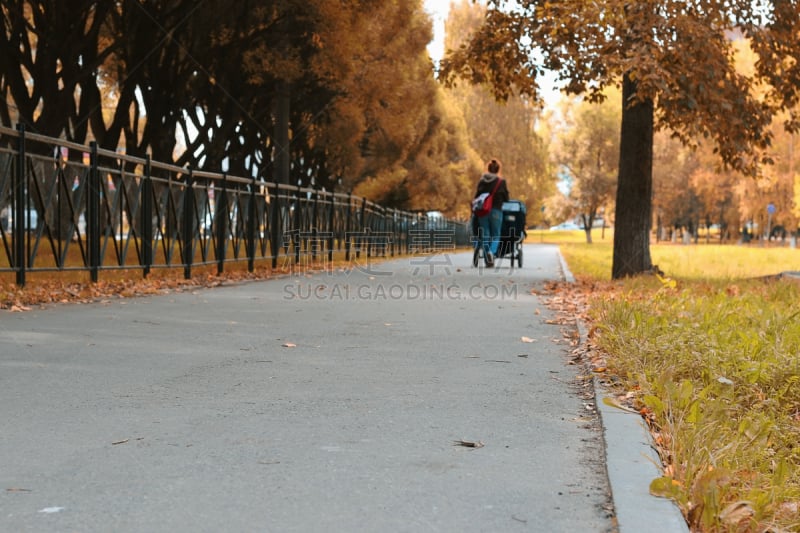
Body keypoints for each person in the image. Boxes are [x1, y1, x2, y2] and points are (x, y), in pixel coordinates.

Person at [473, 159, 509, 267]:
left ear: (488, 168)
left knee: (485, 235)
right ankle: (491, 253)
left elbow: (476, 196)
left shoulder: (482, 181)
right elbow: (506, 198)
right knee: (496, 235)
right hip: (496, 210)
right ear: (498, 170)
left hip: (483, 211)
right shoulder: (501, 182)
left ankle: (487, 259)